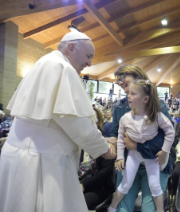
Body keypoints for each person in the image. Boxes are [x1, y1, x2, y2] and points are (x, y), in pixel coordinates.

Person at [0, 31, 116, 212]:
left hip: (21, 156)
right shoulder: (62, 68)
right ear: (71, 48)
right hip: (41, 162)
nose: (89, 63)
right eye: (88, 56)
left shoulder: (42, 63)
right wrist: (104, 149)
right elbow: (78, 125)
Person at [109, 65, 171, 212]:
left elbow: (162, 141)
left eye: (124, 77)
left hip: (154, 161)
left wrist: (135, 146)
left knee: (149, 208)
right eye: (118, 80)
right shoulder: (120, 106)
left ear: (138, 78)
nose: (120, 82)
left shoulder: (158, 105)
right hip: (129, 162)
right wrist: (112, 146)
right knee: (122, 208)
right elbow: (115, 133)